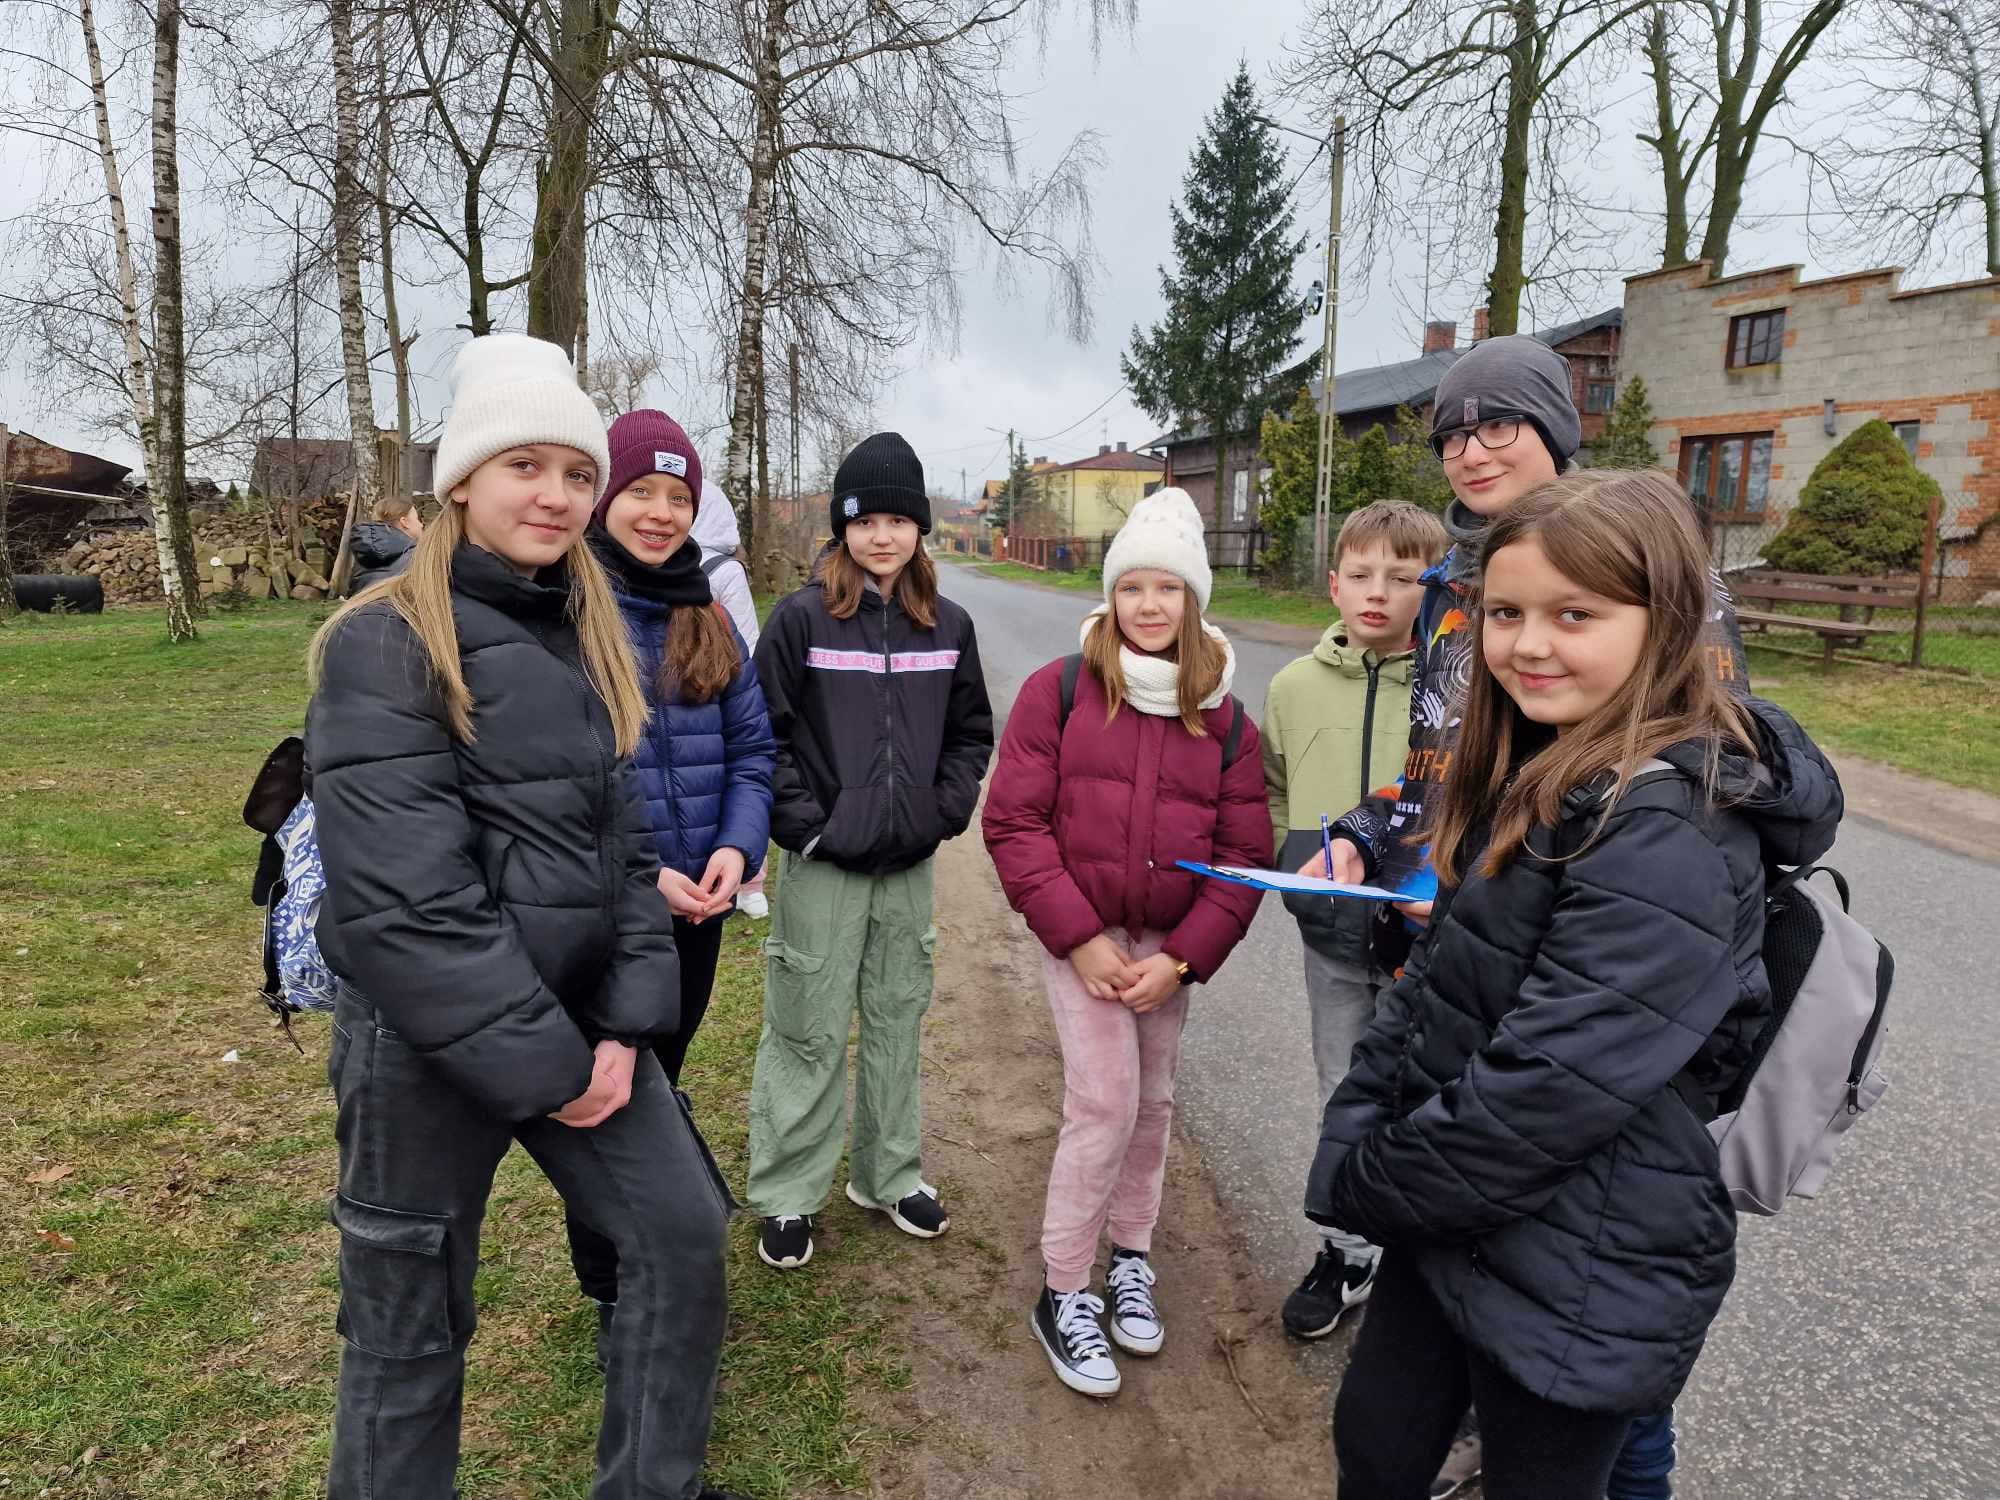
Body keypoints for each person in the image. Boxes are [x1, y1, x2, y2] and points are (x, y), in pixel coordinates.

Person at [1306, 472, 1842, 1500]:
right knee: (1375, 1444)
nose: (1528, 644)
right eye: (1505, 613)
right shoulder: (1542, 765)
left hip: (1585, 1252)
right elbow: (1432, 987)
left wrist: (1371, 1178)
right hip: (1453, 1204)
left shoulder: (1669, 828)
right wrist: (1358, 1129)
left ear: (1665, 622)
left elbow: (1548, 1088)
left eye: (1575, 615)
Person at [305, 333, 737, 1500]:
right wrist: (554, 1068)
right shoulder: (383, 643)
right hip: (419, 1045)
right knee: (407, 1334)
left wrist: (624, 1025)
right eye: (525, 466)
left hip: (582, 1025)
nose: (556, 495)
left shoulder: (582, 628)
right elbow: (408, 906)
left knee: (680, 1237)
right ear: (461, 481)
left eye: (577, 473)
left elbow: (625, 849)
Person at [982, 487, 1270, 1398]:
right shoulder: (1060, 690)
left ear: (1194, 600)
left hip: (1168, 949)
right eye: (1133, 586)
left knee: (1151, 1104)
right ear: (1111, 594)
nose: (1149, 605)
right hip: (1086, 935)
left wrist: (1183, 960)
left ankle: (1131, 1259)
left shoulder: (1225, 719)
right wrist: (1079, 939)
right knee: (1105, 1102)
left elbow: (1243, 857)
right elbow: (1014, 823)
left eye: (1168, 588)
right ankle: (1065, 1288)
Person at [744, 431, 994, 1271]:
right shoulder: (800, 619)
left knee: (895, 1018)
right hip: (824, 863)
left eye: (897, 520)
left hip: (907, 863)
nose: (881, 536)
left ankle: (888, 1173)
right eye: (864, 521)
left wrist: (940, 811)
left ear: (920, 528)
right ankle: (789, 1190)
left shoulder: (947, 626)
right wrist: (810, 826)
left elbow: (970, 734)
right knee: (807, 1026)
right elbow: (763, 735)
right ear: (841, 527)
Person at [564, 408, 776, 1351]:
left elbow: (753, 751)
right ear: (603, 498)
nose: (659, 512)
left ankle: (650, 1265)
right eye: (640, 492)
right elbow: (560, 782)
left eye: (678, 496)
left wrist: (737, 844)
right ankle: (613, 1287)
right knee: (609, 1091)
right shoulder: (569, 615)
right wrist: (641, 877)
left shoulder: (710, 614)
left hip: (699, 910)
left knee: (666, 1075)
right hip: (608, 908)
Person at [1260, 499, 1446, 1341]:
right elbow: (1272, 787)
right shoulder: (1292, 688)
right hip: (1331, 940)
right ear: (1333, 584)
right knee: (1343, 1094)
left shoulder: (1458, 690)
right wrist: (1291, 862)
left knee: (1427, 1100)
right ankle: (1347, 1253)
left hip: (1426, 943)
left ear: (1433, 591)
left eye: (1402, 578)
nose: (1378, 593)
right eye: (1361, 575)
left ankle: (1424, 1265)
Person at [689, 480, 773, 920]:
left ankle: (727, 877)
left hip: (694, 690)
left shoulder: (696, 565)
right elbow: (747, 640)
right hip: (720, 687)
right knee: (731, 783)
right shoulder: (726, 569)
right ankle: (749, 887)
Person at [349, 493, 424, 591]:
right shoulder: (418, 557)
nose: (421, 525)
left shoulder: (362, 560)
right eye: (417, 519)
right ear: (404, 522)